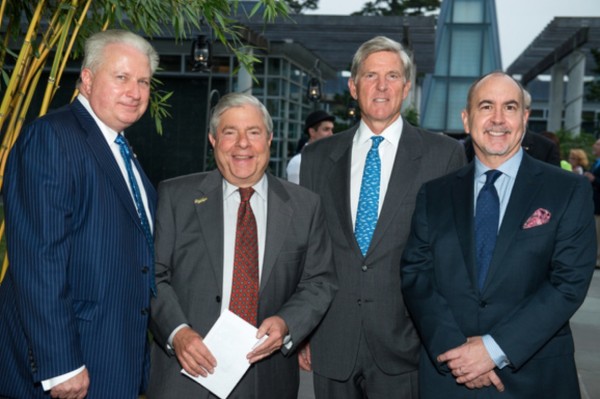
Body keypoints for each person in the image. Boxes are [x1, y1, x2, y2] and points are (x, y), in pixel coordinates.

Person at [401, 71, 596, 398]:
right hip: (449, 374)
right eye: (486, 106)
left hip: (535, 375)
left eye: (510, 107)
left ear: (525, 117)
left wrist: (493, 350)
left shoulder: (567, 190)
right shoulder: (433, 195)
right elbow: (416, 275)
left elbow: (568, 282)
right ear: (467, 119)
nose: (498, 119)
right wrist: (456, 352)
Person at [299, 36, 466, 398]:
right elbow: (307, 252)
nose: (381, 86)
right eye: (371, 75)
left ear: (406, 87)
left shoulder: (444, 156)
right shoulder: (317, 158)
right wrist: (302, 329)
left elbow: (451, 258)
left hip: (406, 343)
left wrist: (442, 334)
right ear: (353, 86)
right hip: (331, 341)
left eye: (392, 76)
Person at [0, 30, 158, 398]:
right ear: (87, 79)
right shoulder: (52, 137)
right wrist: (60, 365)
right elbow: (39, 258)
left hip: (110, 354)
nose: (135, 92)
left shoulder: (119, 148)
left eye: (143, 81)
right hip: (69, 364)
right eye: (121, 78)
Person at [147, 93, 337, 398]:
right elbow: (153, 276)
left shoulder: (305, 206)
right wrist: (177, 332)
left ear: (270, 139)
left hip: (268, 378)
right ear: (213, 139)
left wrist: (288, 323)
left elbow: (319, 281)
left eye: (253, 132)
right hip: (185, 376)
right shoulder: (175, 197)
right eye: (230, 132)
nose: (243, 144)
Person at [463, 90, 561, 167]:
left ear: (526, 114)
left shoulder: (546, 148)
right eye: (488, 107)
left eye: (510, 108)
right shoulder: (470, 144)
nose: (498, 118)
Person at [286, 110, 335, 184]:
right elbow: (296, 193)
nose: (331, 134)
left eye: (332, 130)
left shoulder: (329, 160)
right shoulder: (298, 162)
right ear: (312, 132)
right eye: (326, 129)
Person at [584, 138, 600, 268]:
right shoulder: (596, 162)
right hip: (594, 204)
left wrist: (594, 179)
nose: (595, 146)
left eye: (598, 144)